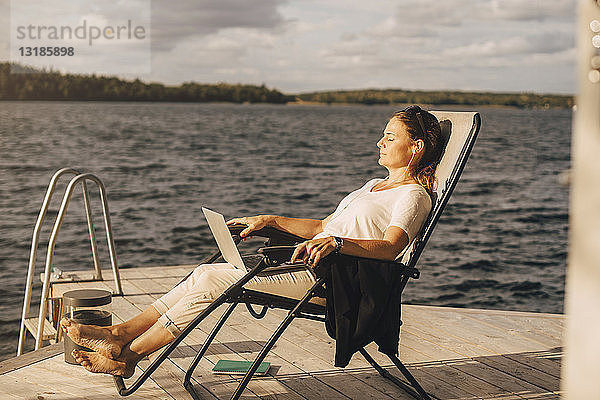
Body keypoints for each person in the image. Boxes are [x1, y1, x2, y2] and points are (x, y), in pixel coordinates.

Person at [61, 105, 444, 377]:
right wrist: (271, 219)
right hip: (311, 266)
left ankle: (128, 354)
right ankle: (120, 336)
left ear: (416, 148)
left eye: (390, 136)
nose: (379, 141)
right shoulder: (372, 186)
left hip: (339, 281)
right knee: (205, 273)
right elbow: (322, 226)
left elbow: (392, 247)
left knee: (214, 280)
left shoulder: (413, 196)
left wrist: (339, 245)